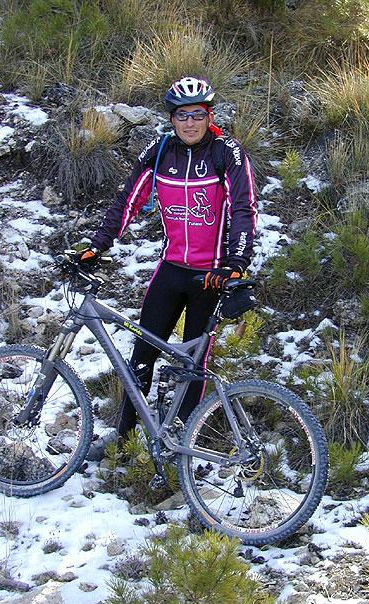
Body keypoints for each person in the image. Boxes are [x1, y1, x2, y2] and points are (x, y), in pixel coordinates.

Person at [79, 76, 257, 450]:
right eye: (181, 115)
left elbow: (244, 209)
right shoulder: (160, 152)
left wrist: (237, 263)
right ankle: (123, 439)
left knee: (194, 365)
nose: (190, 122)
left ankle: (186, 443)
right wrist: (98, 245)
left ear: (209, 116)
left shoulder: (227, 153)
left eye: (197, 114)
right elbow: (127, 200)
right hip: (171, 269)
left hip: (210, 275)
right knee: (142, 354)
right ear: (171, 119)